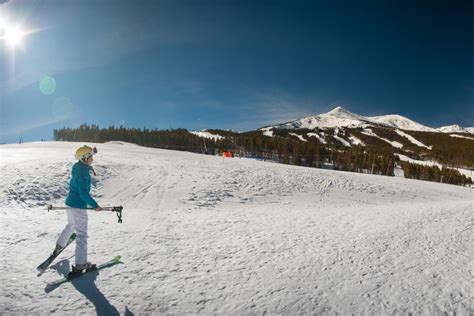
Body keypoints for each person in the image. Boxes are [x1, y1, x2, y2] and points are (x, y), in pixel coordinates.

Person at [54, 145, 102, 273]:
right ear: (85, 158)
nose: (93, 159)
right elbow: (83, 194)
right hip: (78, 207)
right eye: (91, 156)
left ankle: (59, 245)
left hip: (70, 203)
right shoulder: (83, 173)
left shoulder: (77, 167)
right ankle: (81, 264)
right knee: (82, 235)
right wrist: (95, 205)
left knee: (71, 225)